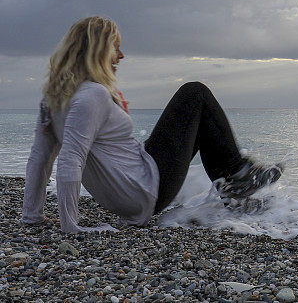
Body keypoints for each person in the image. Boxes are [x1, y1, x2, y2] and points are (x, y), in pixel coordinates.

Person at [21, 16, 282, 233]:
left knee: (196, 119)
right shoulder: (93, 96)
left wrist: (32, 215)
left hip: (135, 183)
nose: (121, 55)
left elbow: (39, 158)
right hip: (145, 188)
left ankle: (234, 190)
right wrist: (71, 227)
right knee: (194, 93)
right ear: (97, 50)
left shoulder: (55, 98)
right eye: (115, 47)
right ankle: (237, 176)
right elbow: (71, 159)